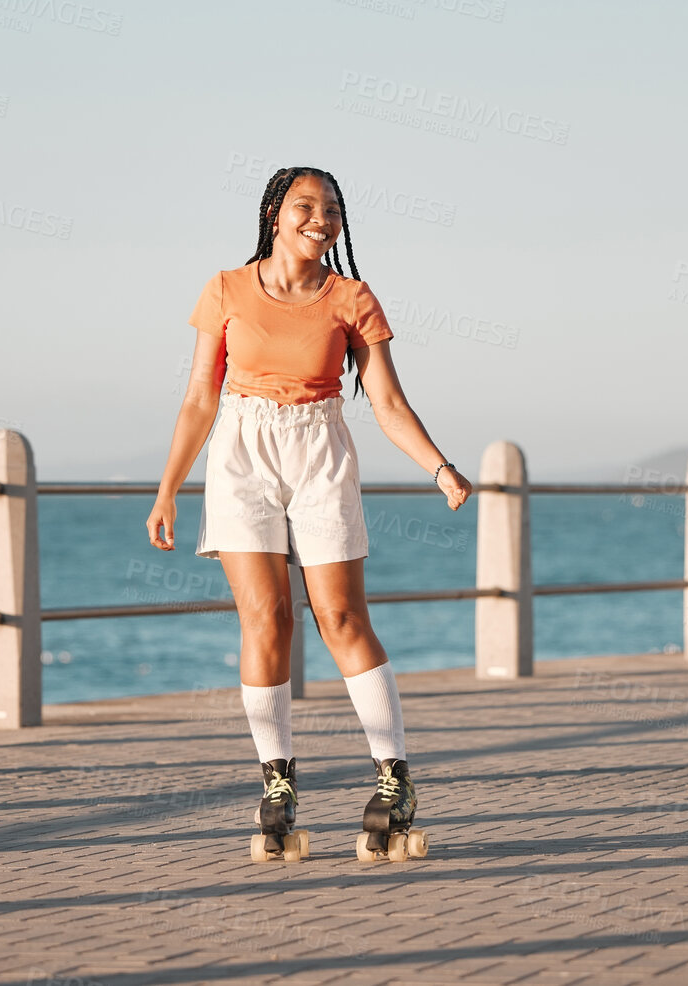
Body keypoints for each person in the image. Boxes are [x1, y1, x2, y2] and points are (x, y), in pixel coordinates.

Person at [147, 165, 471, 861]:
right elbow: (200, 397)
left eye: (332, 208)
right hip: (242, 452)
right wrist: (168, 486)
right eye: (305, 205)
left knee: (342, 618)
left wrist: (439, 468)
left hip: (319, 447)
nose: (320, 217)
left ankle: (394, 779)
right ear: (274, 215)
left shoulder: (352, 298)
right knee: (267, 618)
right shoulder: (226, 289)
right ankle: (278, 784)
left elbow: (385, 402)